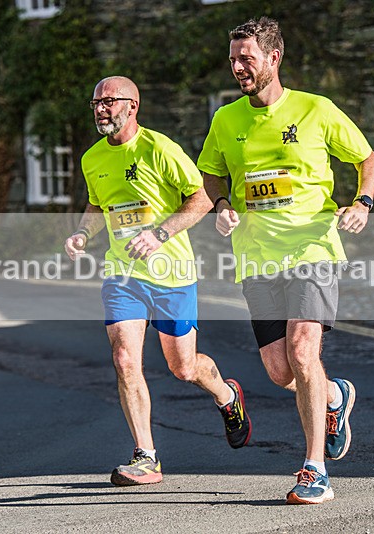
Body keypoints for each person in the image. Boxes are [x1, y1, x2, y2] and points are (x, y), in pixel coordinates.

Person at [197, 18, 374, 505]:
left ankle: (314, 468)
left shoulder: (316, 110)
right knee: (282, 372)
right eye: (233, 58)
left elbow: (368, 160)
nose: (238, 66)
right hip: (256, 258)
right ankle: (336, 395)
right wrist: (221, 206)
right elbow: (210, 175)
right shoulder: (225, 119)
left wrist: (362, 202)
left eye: (247, 58)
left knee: (303, 353)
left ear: (273, 58)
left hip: (312, 250)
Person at [65, 76, 252, 486]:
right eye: (95, 101)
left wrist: (161, 233)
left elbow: (202, 197)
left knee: (183, 368)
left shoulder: (159, 148)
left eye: (109, 101)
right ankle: (146, 455)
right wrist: (83, 233)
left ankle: (226, 394)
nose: (100, 109)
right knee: (125, 359)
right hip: (123, 273)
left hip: (172, 273)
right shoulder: (92, 158)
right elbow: (98, 204)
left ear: (132, 106)